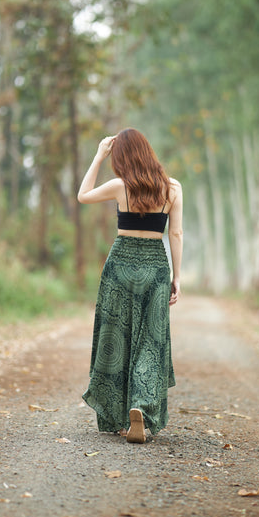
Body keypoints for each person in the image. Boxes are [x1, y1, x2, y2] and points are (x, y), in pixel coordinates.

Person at [77, 127, 183, 443]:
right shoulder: (173, 188)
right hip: (154, 265)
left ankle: (119, 418)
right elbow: (175, 235)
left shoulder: (119, 186)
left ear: (122, 158)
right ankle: (140, 405)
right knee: (151, 339)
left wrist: (98, 156)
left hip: (120, 264)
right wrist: (177, 277)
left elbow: (82, 195)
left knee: (116, 335)